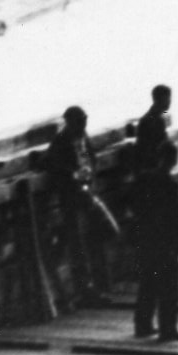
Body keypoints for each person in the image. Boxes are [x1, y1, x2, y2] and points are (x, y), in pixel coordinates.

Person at [42, 105, 118, 303]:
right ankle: (87, 289)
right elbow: (51, 164)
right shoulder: (61, 141)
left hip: (88, 194)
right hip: (72, 198)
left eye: (85, 120)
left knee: (101, 234)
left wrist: (90, 179)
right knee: (78, 244)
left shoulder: (82, 137)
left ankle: (100, 284)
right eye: (81, 121)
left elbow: (91, 159)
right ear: (70, 122)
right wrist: (73, 175)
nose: (84, 124)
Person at [129, 131, 178, 342]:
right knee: (169, 287)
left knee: (147, 283)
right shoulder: (169, 184)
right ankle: (168, 328)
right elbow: (176, 213)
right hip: (165, 242)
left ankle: (143, 325)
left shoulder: (143, 179)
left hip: (146, 239)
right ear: (173, 160)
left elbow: (134, 205)